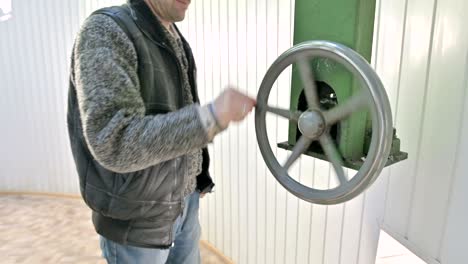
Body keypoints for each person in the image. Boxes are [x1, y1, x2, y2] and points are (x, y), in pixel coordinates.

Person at [66, 0, 256, 263]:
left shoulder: (171, 34)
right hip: (136, 223)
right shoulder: (105, 30)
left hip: (184, 205)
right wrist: (212, 116)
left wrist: (197, 177)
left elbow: (176, 109)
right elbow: (114, 141)